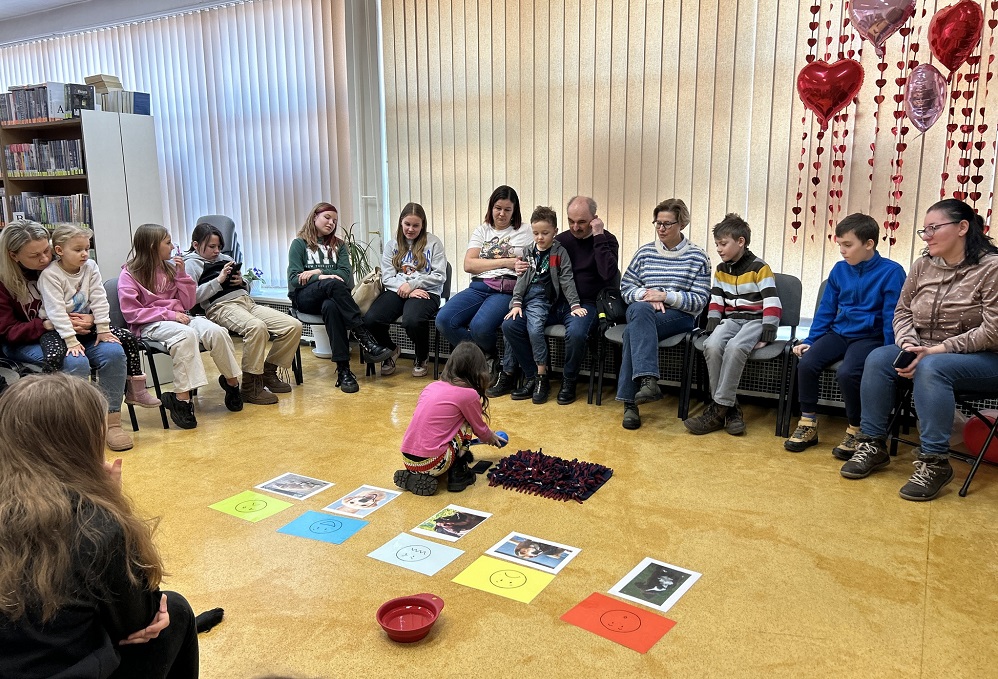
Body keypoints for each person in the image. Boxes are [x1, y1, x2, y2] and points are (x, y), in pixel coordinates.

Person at [0, 373, 199, 678]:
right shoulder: (95, 526)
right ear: (81, 444)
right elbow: (139, 620)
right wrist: (110, 502)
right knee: (177, 610)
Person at [841, 199, 998, 501]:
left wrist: (938, 350)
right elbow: (902, 312)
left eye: (934, 228)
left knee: (932, 367)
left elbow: (992, 331)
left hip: (984, 359)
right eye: (924, 230)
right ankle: (872, 444)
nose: (926, 236)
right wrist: (908, 344)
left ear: (963, 228)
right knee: (877, 358)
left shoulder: (991, 268)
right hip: (926, 351)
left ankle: (935, 462)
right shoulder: (923, 265)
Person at [0, 220, 132, 449]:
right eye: (35, 255)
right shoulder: (3, 283)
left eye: (46, 250)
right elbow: (7, 332)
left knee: (113, 351)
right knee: (75, 362)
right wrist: (47, 325)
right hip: (27, 340)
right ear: (13, 255)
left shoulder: (64, 264)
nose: (44, 259)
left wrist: (91, 319)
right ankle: (77, 429)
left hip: (75, 331)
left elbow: (88, 298)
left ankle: (111, 424)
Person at [783, 214, 905, 456]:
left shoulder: (892, 272)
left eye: (847, 245)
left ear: (869, 244)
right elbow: (826, 310)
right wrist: (811, 340)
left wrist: (891, 351)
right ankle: (808, 424)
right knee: (806, 364)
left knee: (848, 373)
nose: (842, 250)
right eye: (839, 244)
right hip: (839, 333)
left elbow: (893, 317)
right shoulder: (839, 270)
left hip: (870, 338)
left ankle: (855, 429)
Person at [118, 223, 244, 430]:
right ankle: (182, 400)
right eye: (167, 243)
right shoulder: (130, 274)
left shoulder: (171, 268)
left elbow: (187, 304)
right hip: (150, 324)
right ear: (152, 246)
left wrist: (182, 275)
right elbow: (132, 313)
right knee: (186, 336)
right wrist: (170, 314)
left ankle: (232, 385)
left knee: (217, 331)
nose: (172, 246)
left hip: (180, 317)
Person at [502, 195, 619, 405]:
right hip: (552, 302)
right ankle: (535, 377)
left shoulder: (606, 240)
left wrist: (598, 236)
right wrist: (520, 267)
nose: (576, 227)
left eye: (582, 222)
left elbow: (609, 274)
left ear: (594, 219)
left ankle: (569, 380)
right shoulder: (560, 241)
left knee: (575, 332)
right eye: (571, 221)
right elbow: (536, 259)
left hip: (587, 304)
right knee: (511, 325)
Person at [35, 225, 160, 413]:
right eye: (78, 250)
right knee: (54, 356)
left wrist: (103, 329)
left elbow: (99, 299)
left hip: (86, 324)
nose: (84, 254)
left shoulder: (90, 267)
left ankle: (136, 390)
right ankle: (47, 400)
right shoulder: (50, 275)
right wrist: (70, 340)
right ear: (59, 251)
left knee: (128, 338)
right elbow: (56, 311)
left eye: (87, 248)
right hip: (57, 329)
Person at [682, 214, 782, 436]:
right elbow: (716, 300)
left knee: (736, 347)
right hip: (732, 320)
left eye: (723, 243)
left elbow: (772, 301)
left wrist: (768, 332)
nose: (718, 248)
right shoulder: (720, 269)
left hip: (755, 321)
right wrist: (713, 327)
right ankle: (731, 408)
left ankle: (717, 410)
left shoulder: (759, 268)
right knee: (712, 345)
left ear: (741, 242)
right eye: (717, 244)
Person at [617, 198, 711, 430]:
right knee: (639, 312)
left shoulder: (698, 256)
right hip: (644, 310)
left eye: (667, 224)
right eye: (657, 223)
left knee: (632, 332)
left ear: (682, 224)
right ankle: (647, 382)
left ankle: (630, 403)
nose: (661, 228)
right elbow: (626, 288)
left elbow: (700, 300)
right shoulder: (644, 253)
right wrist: (648, 295)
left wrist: (666, 296)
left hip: (679, 317)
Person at [183, 222, 302, 405]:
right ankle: (250, 385)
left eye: (219, 246)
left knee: (293, 326)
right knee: (256, 327)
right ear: (196, 245)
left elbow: (244, 284)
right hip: (220, 307)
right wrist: (219, 280)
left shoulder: (224, 258)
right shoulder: (190, 264)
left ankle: (268, 373)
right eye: (212, 247)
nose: (217, 251)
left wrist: (242, 281)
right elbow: (191, 299)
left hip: (246, 302)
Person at [434, 185, 533, 393]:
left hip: (505, 289)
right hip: (479, 286)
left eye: (507, 209)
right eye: (498, 208)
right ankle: (487, 355)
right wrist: (506, 261)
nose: (502, 214)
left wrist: (492, 264)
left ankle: (484, 358)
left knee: (480, 327)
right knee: (444, 320)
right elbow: (469, 264)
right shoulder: (482, 230)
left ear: (515, 210)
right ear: (491, 207)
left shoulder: (525, 231)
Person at [287, 202, 393, 393]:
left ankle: (344, 371)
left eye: (335, 220)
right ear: (314, 217)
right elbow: (295, 279)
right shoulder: (299, 244)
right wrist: (320, 274)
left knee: (332, 306)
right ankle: (365, 338)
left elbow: (345, 275)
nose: (331, 223)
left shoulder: (339, 246)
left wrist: (310, 274)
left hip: (330, 297)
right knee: (332, 284)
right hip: (305, 298)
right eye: (327, 217)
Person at [394, 341, 505, 496]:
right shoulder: (468, 395)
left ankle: (414, 476)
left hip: (408, 460)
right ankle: (458, 475)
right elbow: (479, 428)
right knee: (466, 423)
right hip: (433, 462)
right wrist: (492, 438)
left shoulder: (431, 386)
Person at [502, 205, 586, 404]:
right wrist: (516, 302)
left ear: (555, 232)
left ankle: (541, 375)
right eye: (536, 233)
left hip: (542, 298)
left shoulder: (559, 252)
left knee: (534, 329)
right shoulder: (529, 251)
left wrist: (574, 304)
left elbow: (567, 279)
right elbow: (521, 279)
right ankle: (522, 374)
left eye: (545, 233)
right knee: (508, 325)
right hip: (525, 296)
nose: (540, 237)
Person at [362, 203, 447, 377]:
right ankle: (391, 350)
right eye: (407, 224)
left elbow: (440, 276)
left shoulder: (433, 243)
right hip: (397, 289)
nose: (411, 229)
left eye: (416, 225)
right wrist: (407, 290)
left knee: (412, 321)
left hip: (427, 291)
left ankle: (422, 356)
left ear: (423, 225)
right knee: (371, 319)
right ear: (401, 222)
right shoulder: (392, 244)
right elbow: (386, 277)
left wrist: (413, 285)